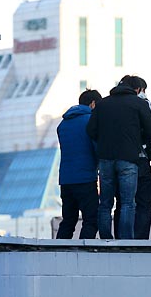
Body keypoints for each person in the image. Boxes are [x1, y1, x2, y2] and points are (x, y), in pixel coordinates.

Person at [86, 75, 151, 239]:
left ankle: (105, 237)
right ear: (137, 89)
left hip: (105, 159)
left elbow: (91, 130)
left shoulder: (103, 104)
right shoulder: (139, 104)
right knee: (127, 202)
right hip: (129, 159)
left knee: (105, 203)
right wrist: (138, 142)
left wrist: (103, 141)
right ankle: (126, 240)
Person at [114, 77, 151, 239]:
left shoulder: (109, 104)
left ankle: (121, 238)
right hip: (140, 158)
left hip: (115, 160)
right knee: (143, 201)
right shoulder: (143, 104)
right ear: (138, 89)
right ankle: (139, 241)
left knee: (122, 201)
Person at [56, 89, 102, 239]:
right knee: (91, 219)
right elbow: (96, 148)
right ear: (93, 103)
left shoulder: (63, 124)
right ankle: (83, 252)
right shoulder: (90, 121)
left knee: (68, 220)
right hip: (85, 177)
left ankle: (58, 252)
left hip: (66, 179)